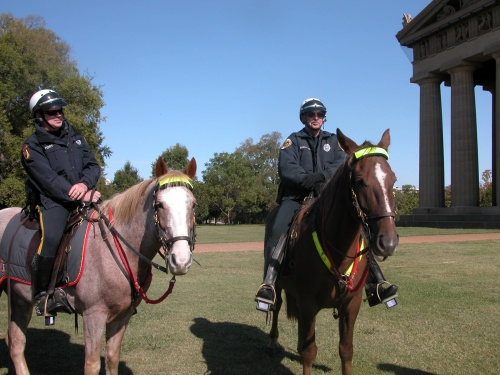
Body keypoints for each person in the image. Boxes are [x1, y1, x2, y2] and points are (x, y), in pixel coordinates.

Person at [254, 98, 398, 312]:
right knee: (278, 227)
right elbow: (287, 169)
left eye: (319, 114)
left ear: (323, 117)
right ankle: (270, 284)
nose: (315, 118)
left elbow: (340, 165)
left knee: (359, 226)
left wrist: (321, 178)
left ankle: (375, 282)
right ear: (304, 117)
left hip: (325, 196)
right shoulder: (292, 141)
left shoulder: (333, 141)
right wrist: (307, 179)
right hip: (296, 197)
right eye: (311, 114)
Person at [22, 89, 102, 316]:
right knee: (52, 237)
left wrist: (85, 185)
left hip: (83, 194)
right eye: (51, 112)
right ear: (39, 116)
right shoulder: (32, 146)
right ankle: (42, 296)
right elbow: (48, 180)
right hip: (52, 201)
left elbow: (93, 166)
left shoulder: (74, 135)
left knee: (109, 223)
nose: (58, 115)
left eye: (60, 110)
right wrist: (79, 194)